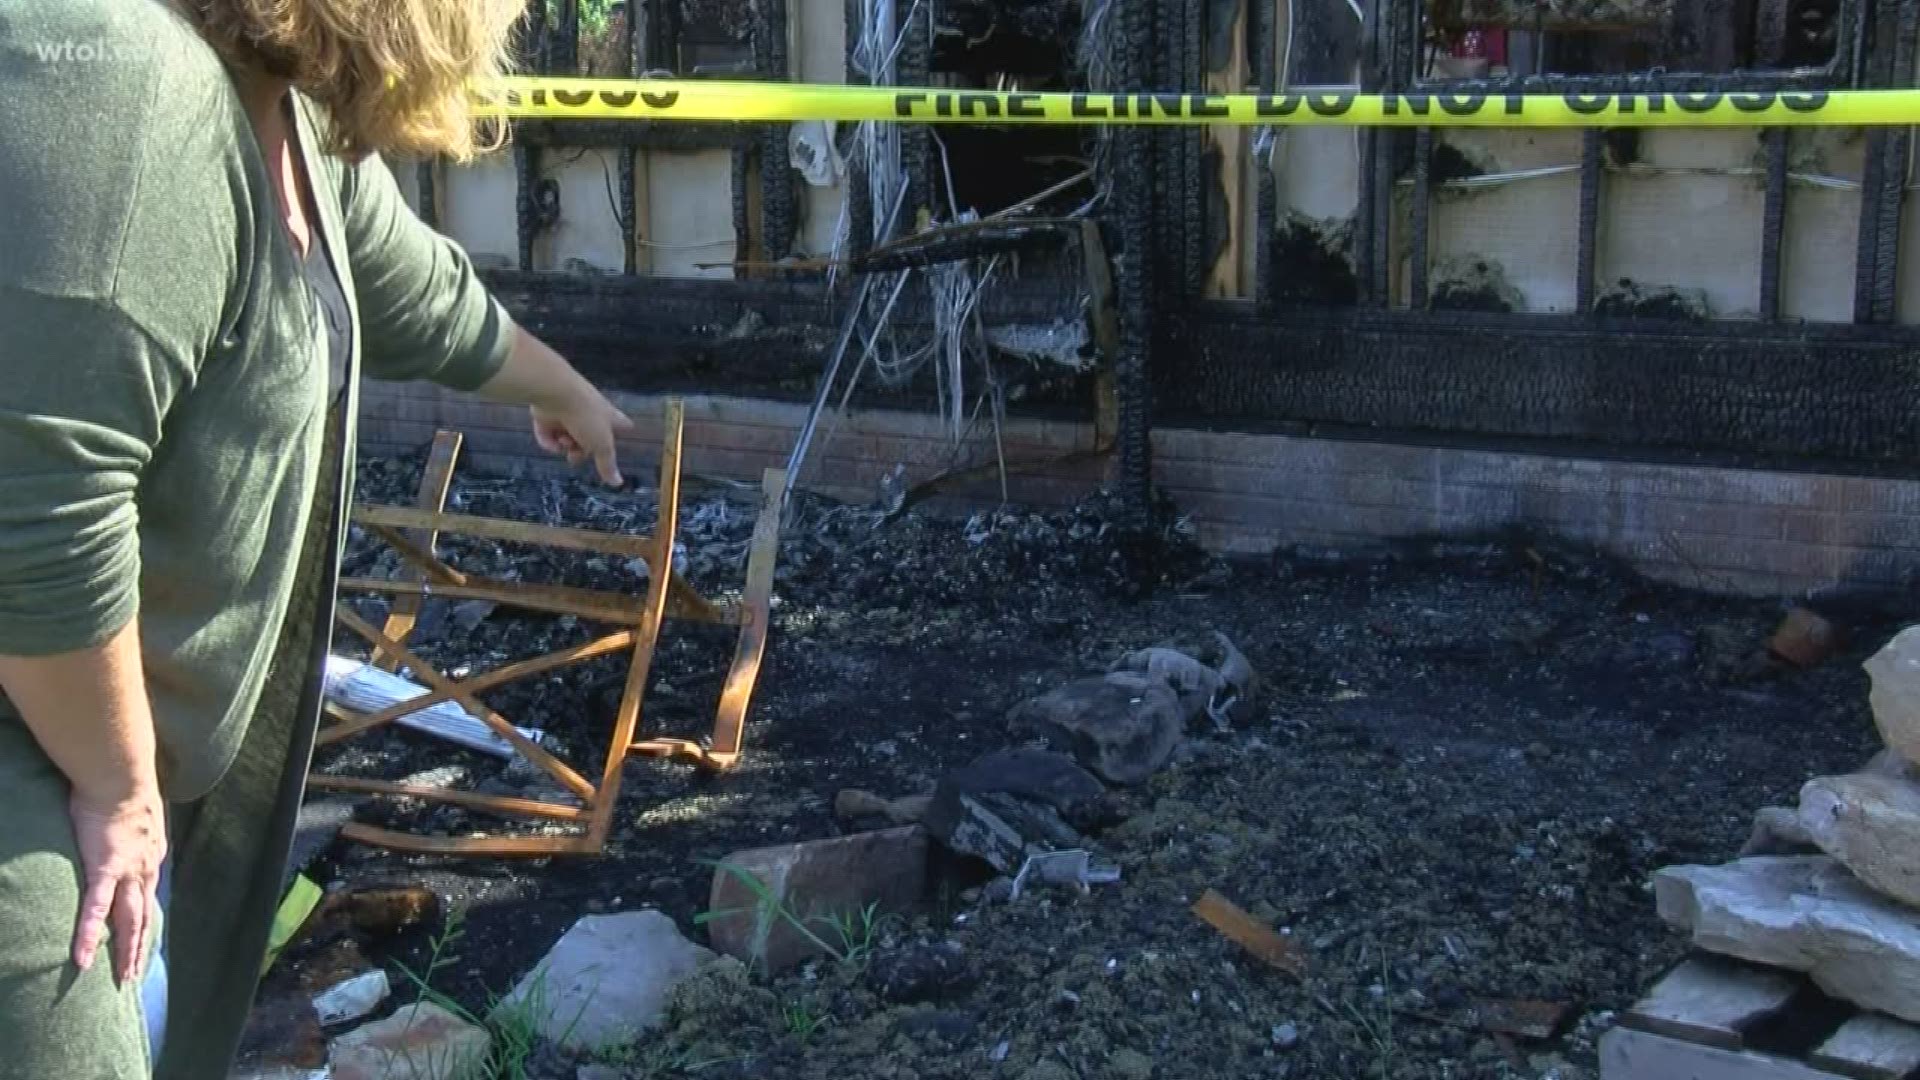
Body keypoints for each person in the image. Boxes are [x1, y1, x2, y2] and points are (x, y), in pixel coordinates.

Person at [0, 1, 636, 1075]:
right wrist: (116, 787)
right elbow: (36, 509)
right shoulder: (123, 84)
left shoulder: (279, 105)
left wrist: (563, 387)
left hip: (89, 742)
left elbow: (400, 289)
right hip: (42, 747)